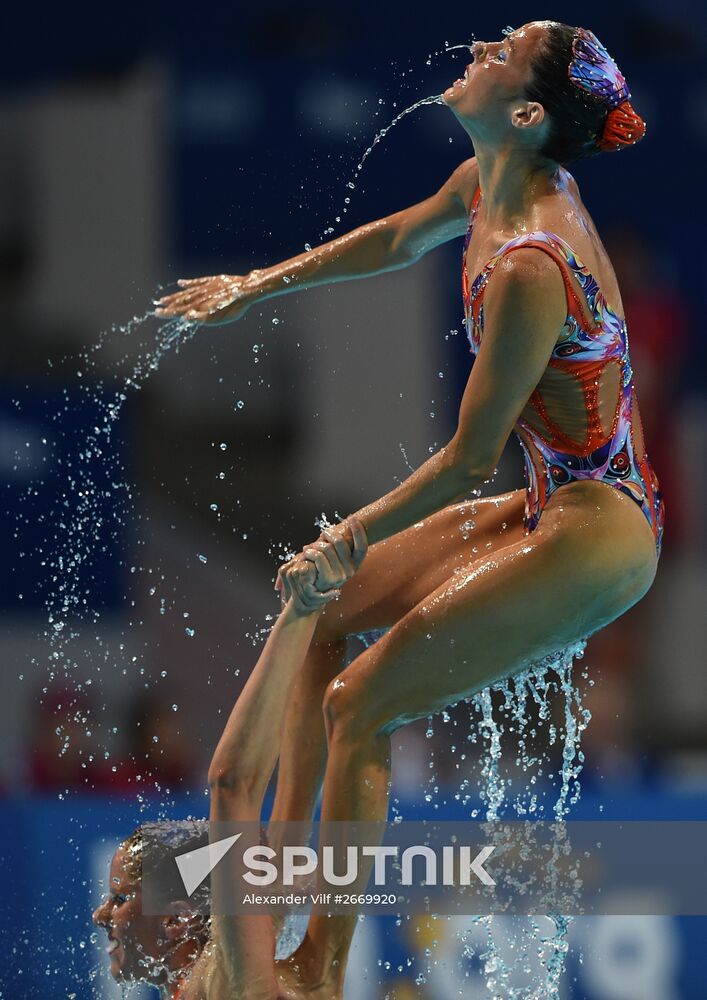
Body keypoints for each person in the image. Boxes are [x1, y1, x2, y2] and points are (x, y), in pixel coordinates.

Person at [155, 19, 665, 982]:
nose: (479, 45)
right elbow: (398, 234)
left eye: (502, 50)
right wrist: (257, 286)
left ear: (524, 113)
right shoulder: (496, 183)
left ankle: (316, 967)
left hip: (602, 528)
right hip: (555, 497)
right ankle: (286, 878)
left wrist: (345, 534)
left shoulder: (530, 264)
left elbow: (473, 457)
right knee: (322, 620)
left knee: (362, 701)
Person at [92, 519, 369, 999]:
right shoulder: (267, 969)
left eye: (119, 899)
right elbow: (293, 808)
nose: (101, 916)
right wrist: (320, 625)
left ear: (177, 919)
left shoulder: (228, 984)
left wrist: (304, 610)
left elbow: (233, 785)